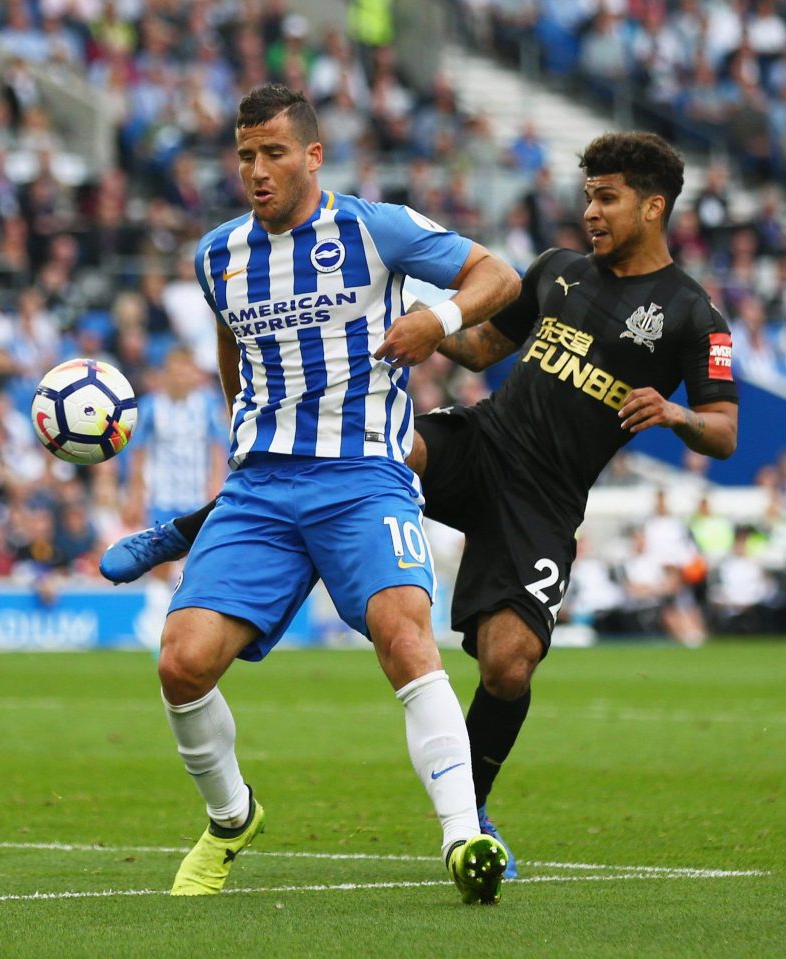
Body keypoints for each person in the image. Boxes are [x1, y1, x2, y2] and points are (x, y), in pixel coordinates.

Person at [102, 131, 739, 876]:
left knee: (507, 664)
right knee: (360, 447)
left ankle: (477, 803)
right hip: (483, 441)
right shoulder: (558, 271)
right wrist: (394, 309)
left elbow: (724, 432)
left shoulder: (695, 315)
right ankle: (185, 529)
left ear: (653, 205)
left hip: (545, 497)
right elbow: (476, 349)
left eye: (607, 197)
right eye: (587, 195)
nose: (589, 211)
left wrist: (675, 414)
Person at [141, 84, 521, 903]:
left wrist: (441, 318)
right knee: (180, 663)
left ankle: (463, 837)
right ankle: (232, 815)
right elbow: (231, 347)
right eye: (245, 155)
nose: (257, 170)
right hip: (262, 489)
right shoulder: (217, 254)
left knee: (403, 635)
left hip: (361, 479)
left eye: (273, 153)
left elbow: (501, 275)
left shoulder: (373, 228)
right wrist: (247, 434)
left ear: (313, 155)